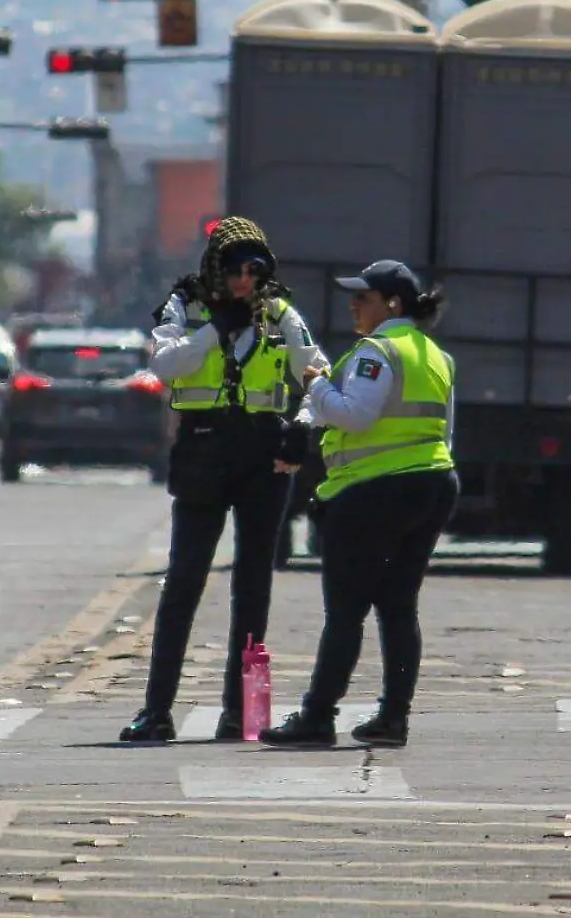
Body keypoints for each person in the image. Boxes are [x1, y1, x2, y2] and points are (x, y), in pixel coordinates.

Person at [119, 217, 329, 744]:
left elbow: (317, 372)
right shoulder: (185, 306)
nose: (245, 280)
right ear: (215, 266)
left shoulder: (278, 312)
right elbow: (165, 367)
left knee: (254, 585)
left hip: (263, 456)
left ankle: (243, 712)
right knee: (184, 581)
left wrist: (302, 429)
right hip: (204, 450)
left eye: (255, 269)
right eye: (235, 268)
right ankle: (156, 711)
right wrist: (216, 330)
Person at [261, 260, 457, 748]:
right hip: (432, 483)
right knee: (397, 606)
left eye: (363, 297)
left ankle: (318, 716)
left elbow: (356, 415)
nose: (353, 304)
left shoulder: (375, 352)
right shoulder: (435, 355)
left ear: (392, 303)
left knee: (345, 611)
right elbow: (445, 430)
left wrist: (317, 384)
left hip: (373, 492)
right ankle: (393, 718)